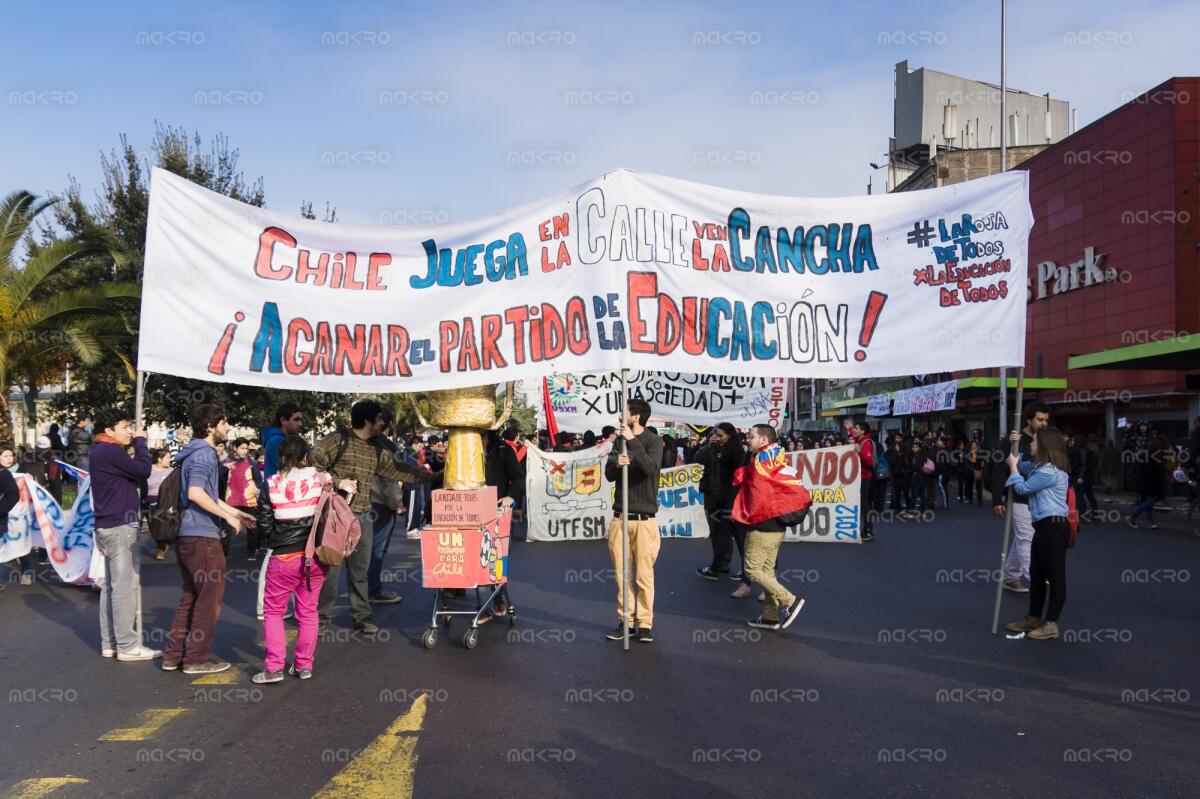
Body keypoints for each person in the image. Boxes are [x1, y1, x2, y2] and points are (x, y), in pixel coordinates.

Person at [313, 400, 432, 635]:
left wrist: (431, 476)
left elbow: (396, 469)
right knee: (330, 571)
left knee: (360, 572)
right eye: (380, 419)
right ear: (368, 420)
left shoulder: (378, 446)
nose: (384, 423)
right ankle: (321, 619)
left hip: (364, 516)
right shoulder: (336, 440)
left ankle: (362, 617)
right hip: (334, 517)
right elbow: (312, 468)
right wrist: (338, 483)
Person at [253, 435, 355, 683]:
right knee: (308, 612)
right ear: (305, 456)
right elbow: (333, 507)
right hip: (315, 556)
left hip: (282, 557)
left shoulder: (270, 484)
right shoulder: (322, 480)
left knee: (274, 612)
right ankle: (303, 667)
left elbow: (264, 527)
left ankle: (274, 668)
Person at [163, 405, 256, 674]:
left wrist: (235, 512)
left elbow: (207, 494)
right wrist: (226, 518)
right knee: (208, 600)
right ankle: (196, 659)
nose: (228, 428)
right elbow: (195, 493)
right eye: (224, 423)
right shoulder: (204, 454)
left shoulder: (193, 452)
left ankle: (173, 655)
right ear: (209, 427)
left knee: (190, 597)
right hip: (202, 536)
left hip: (188, 534)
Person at [88, 408, 159, 661]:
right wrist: (141, 442)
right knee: (124, 589)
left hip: (109, 525)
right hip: (120, 526)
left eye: (131, 427)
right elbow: (143, 470)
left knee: (111, 587)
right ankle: (128, 646)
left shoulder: (100, 451)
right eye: (125, 427)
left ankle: (111, 643)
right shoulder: (109, 452)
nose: (130, 431)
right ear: (108, 431)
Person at [732, 424, 809, 632]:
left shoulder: (760, 463)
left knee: (752, 569)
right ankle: (770, 616)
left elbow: (758, 498)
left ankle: (790, 601)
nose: (748, 439)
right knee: (766, 571)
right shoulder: (775, 456)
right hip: (777, 524)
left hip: (762, 523)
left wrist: (749, 519)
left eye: (751, 436)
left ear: (764, 440)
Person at [603, 398, 663, 644]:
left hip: (644, 519)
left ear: (635, 416)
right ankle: (625, 622)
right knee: (622, 574)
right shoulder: (618, 440)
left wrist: (631, 441)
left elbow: (650, 468)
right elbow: (608, 475)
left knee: (644, 575)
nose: (619, 415)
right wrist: (617, 464)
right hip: (620, 519)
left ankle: (645, 624)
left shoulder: (654, 441)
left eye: (624, 411)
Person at [1004, 427, 1072, 641]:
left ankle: (1051, 623)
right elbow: (1018, 462)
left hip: (1054, 527)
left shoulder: (1049, 472)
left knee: (1055, 576)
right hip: (1042, 527)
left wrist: (1014, 469)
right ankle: (1033, 617)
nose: (1030, 444)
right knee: (1037, 574)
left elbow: (1022, 488)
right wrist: (1013, 444)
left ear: (1043, 445)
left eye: (1033, 442)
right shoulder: (1038, 467)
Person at [992, 402, 1052, 593]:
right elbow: (999, 469)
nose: (1043, 423)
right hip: (1018, 497)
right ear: (1028, 419)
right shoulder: (1014, 440)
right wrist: (997, 500)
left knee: (1023, 538)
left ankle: (1011, 576)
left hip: (1040, 497)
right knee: (1027, 539)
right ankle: (1036, 581)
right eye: (1040, 419)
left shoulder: (1047, 439)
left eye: (1046, 420)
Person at [694, 422, 750, 595]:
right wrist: (709, 445)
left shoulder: (737, 452)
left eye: (720, 435)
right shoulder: (714, 448)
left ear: (730, 435)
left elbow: (738, 479)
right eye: (715, 435)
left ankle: (745, 572)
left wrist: (732, 501)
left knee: (739, 538)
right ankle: (718, 567)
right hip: (714, 498)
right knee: (718, 534)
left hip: (730, 501)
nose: (717, 438)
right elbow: (698, 458)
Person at [367, 408, 406, 605]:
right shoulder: (387, 447)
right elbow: (390, 481)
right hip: (380, 505)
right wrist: (397, 505)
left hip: (358, 503)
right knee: (376, 550)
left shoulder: (360, 443)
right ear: (389, 424)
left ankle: (361, 591)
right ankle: (373, 591)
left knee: (360, 551)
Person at [224, 438, 261, 559]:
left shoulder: (251, 462)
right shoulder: (227, 461)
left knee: (252, 526)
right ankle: (223, 554)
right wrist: (223, 468)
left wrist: (259, 493)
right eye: (242, 448)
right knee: (227, 527)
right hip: (231, 499)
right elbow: (220, 480)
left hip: (248, 498)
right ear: (235, 448)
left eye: (246, 448)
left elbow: (258, 480)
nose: (245, 451)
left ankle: (252, 552)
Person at [1, 445, 31, 591]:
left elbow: (15, 495)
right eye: (5, 456)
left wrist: (30, 481)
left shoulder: (22, 472)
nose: (9, 459)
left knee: (22, 544)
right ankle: (0, 580)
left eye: (10, 456)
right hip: (6, 516)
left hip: (19, 516)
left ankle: (26, 572)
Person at [1127, 431, 1171, 529]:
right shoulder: (1152, 457)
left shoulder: (1149, 455)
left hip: (1145, 482)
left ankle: (1150, 522)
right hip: (1147, 483)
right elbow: (1151, 473)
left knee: (1148, 503)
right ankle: (1132, 518)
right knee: (1149, 503)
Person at [848, 421, 877, 541]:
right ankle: (865, 529)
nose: (854, 430)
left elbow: (869, 461)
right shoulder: (859, 440)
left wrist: (859, 450)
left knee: (865, 505)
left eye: (856, 428)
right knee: (861, 504)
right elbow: (854, 437)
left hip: (865, 477)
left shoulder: (866, 443)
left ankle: (868, 530)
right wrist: (849, 429)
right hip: (858, 477)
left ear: (863, 431)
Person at [261, 403, 303, 480]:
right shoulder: (277, 440)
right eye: (296, 420)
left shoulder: (280, 439)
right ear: (283, 420)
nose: (300, 423)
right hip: (278, 489)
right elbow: (291, 470)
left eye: (300, 420)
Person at [147, 449, 174, 560]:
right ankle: (162, 543)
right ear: (159, 459)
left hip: (164, 503)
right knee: (153, 528)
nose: (170, 460)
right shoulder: (148, 469)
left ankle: (160, 549)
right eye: (167, 457)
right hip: (148, 502)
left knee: (162, 527)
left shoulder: (171, 471)